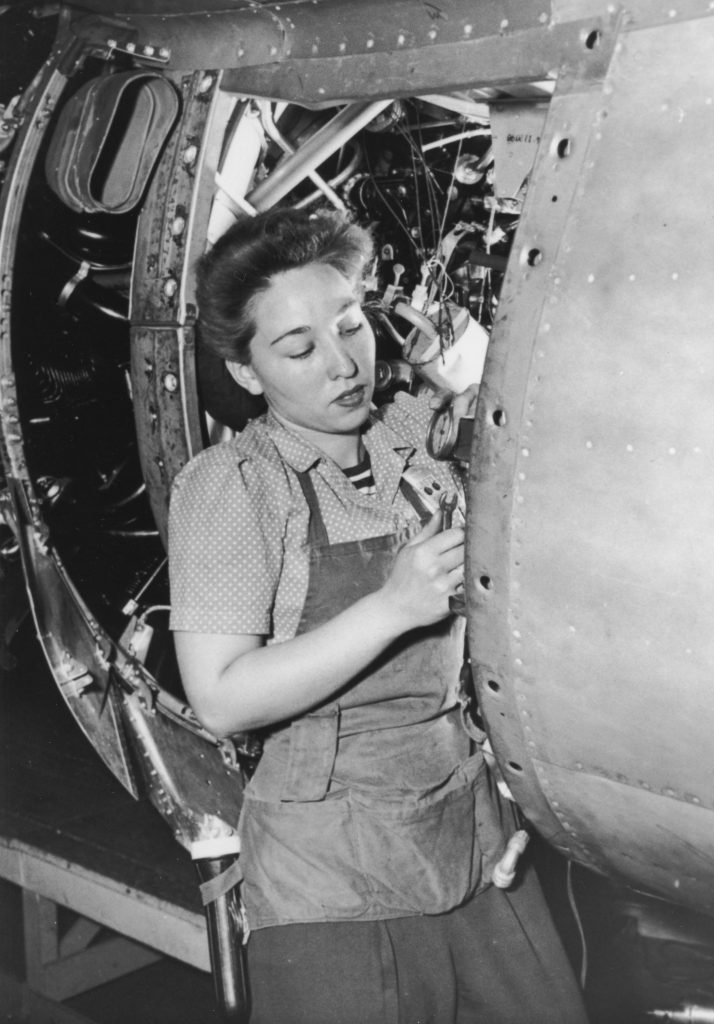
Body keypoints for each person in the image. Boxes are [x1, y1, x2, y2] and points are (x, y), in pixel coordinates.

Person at [168, 207, 588, 1024]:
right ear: (247, 372)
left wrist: (517, 799)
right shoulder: (233, 487)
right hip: (333, 879)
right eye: (298, 349)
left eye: (351, 326)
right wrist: (392, 607)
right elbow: (219, 695)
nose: (342, 364)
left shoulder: (406, 443)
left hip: (471, 841)